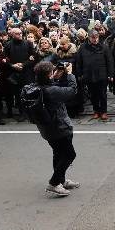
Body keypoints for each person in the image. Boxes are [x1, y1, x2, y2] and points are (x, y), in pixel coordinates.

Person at [32, 61, 79, 197]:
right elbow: (72, 90)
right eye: (52, 72)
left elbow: (54, 88)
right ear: (48, 75)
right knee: (70, 154)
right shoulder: (50, 90)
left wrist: (56, 77)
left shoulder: (37, 86)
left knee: (58, 154)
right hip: (59, 127)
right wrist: (70, 74)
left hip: (46, 128)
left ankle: (61, 181)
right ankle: (54, 183)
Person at [76, 29, 113, 120]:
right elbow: (79, 62)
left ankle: (104, 111)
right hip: (88, 74)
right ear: (89, 37)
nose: (95, 39)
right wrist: (80, 74)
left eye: (96, 37)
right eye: (93, 38)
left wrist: (110, 74)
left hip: (102, 74)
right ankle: (96, 111)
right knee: (93, 94)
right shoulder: (83, 47)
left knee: (102, 94)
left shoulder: (104, 47)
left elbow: (110, 61)